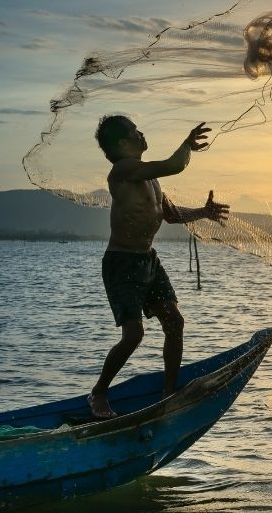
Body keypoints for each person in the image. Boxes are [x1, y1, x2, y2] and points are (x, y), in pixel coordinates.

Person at [88, 115, 229, 419]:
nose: (142, 133)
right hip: (122, 262)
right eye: (135, 131)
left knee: (174, 323)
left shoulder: (150, 178)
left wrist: (203, 212)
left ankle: (168, 392)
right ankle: (99, 392)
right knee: (134, 335)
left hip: (148, 260)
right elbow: (175, 164)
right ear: (123, 143)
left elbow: (172, 215)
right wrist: (188, 145)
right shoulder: (123, 170)